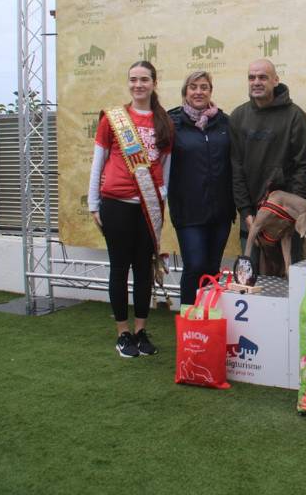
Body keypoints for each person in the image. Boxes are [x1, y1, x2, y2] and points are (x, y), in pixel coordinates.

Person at [87, 60, 173, 358]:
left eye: (144, 79)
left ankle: (141, 330)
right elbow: (98, 162)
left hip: (149, 207)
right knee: (119, 268)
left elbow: (166, 167)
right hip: (117, 205)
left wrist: (162, 198)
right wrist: (93, 204)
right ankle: (123, 333)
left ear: (154, 83)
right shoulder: (113, 119)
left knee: (143, 270)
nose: (139, 85)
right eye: (134, 79)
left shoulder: (164, 121)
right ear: (129, 83)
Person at [229, 59, 306, 273]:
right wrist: (247, 214)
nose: (256, 82)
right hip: (251, 219)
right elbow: (236, 168)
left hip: (287, 219)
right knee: (250, 278)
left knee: (290, 278)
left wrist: (288, 214)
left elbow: (303, 166)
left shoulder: (295, 116)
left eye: (262, 77)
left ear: (275, 80)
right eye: (252, 77)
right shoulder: (238, 117)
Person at [167, 71, 235, 309]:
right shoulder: (172, 123)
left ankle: (209, 319)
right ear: (185, 92)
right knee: (195, 265)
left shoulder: (224, 122)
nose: (198, 92)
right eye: (193, 87)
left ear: (210, 91)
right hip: (188, 212)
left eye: (204, 87)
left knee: (212, 268)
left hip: (221, 211)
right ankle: (188, 318)